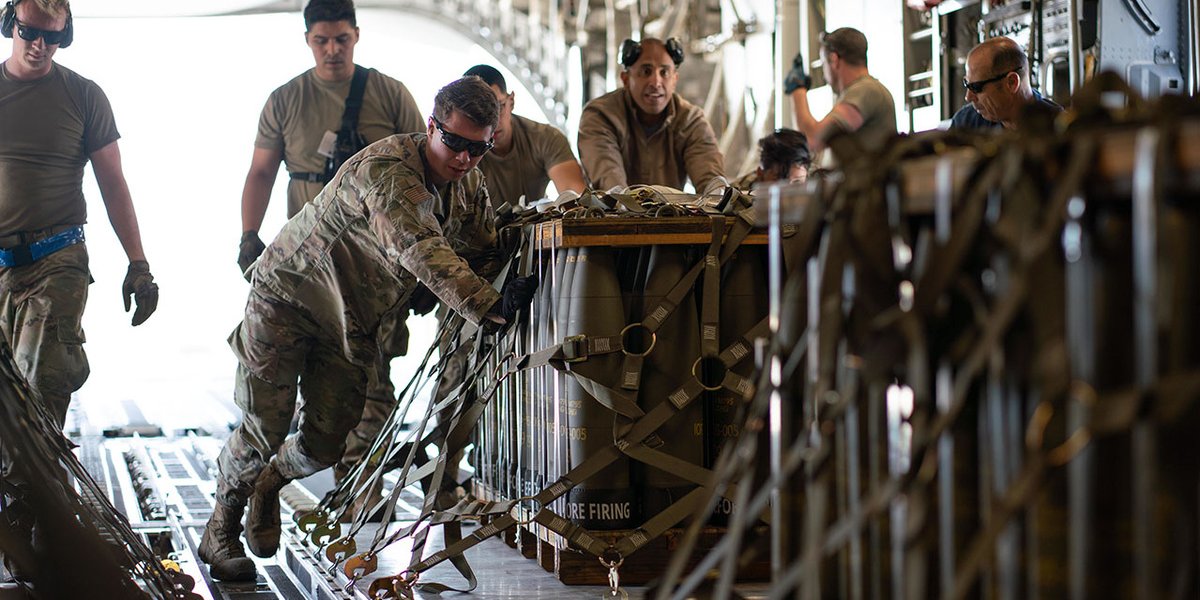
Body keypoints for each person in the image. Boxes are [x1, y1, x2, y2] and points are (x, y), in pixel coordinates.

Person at [198, 76, 538, 582]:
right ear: (431, 127)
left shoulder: (467, 186)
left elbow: (482, 244)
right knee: (263, 427)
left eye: (479, 149)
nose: (465, 159)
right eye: (456, 143)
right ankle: (221, 528)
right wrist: (490, 304)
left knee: (326, 440)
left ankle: (270, 483)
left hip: (350, 321)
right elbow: (419, 248)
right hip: (286, 300)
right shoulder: (388, 171)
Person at [234, 0, 425, 504]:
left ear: (356, 36)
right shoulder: (286, 100)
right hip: (307, 273)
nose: (332, 49)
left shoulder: (389, 94)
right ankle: (269, 485)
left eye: (341, 39)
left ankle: (357, 491)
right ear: (308, 41)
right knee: (296, 390)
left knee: (373, 382)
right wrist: (249, 234)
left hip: (376, 273)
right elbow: (261, 172)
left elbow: (424, 172)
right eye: (322, 40)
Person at [0, 0, 158, 580]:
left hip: (57, 259)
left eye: (53, 35)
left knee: (42, 384)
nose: (39, 44)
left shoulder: (83, 95)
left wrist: (137, 262)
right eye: (28, 32)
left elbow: (113, 180)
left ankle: (30, 512)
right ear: (8, 25)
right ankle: (31, 500)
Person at [577, 37, 725, 193]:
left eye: (664, 72)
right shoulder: (601, 116)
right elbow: (610, 182)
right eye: (646, 71)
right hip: (614, 216)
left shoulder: (691, 121)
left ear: (675, 80)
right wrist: (622, 202)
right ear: (626, 79)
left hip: (672, 216)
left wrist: (717, 195)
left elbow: (711, 182)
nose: (655, 82)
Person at [462, 64, 585, 207]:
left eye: (497, 107)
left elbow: (577, 201)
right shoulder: (461, 151)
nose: (491, 122)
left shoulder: (545, 138)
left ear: (511, 101)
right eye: (479, 114)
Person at [785, 27, 897, 159]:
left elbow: (812, 139)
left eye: (823, 64)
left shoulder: (866, 90)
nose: (824, 75)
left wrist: (797, 90)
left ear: (834, 60)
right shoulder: (864, 91)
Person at [949, 36, 1063, 131]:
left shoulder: (1060, 129)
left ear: (1012, 83)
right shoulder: (966, 122)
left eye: (976, 87)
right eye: (967, 84)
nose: (968, 97)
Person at [733, 128, 812, 189]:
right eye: (780, 183)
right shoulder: (734, 197)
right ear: (760, 174)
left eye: (797, 183)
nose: (789, 191)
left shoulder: (817, 182)